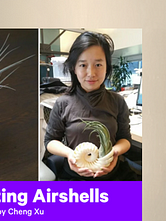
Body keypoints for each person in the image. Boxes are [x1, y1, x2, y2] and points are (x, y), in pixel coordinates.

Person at [43, 31, 139, 181]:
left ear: (107, 66)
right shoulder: (63, 103)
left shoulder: (117, 101)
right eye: (83, 65)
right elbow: (50, 141)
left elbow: (125, 139)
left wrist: (113, 153)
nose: (91, 73)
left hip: (113, 175)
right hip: (74, 177)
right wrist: (70, 154)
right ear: (74, 68)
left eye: (98, 64)